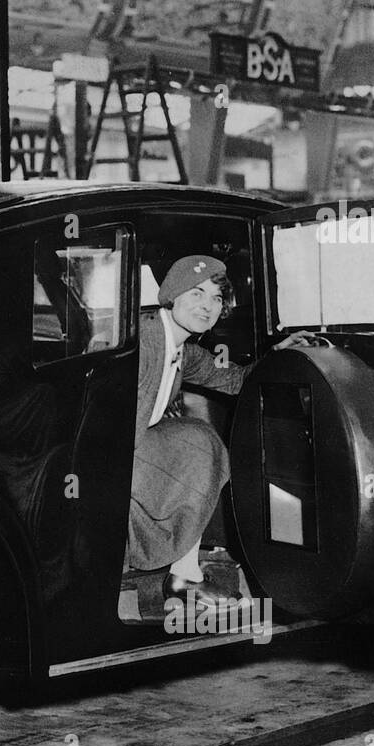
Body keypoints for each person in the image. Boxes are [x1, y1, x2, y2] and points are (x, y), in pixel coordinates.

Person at [128, 254, 310, 610]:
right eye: (196, 294)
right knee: (199, 442)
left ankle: (184, 573)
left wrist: (277, 355)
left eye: (215, 298)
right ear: (172, 295)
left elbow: (234, 379)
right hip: (113, 455)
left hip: (132, 450)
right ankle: (183, 576)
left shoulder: (181, 348)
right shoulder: (148, 337)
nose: (207, 306)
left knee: (198, 442)